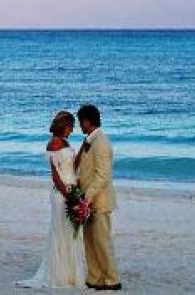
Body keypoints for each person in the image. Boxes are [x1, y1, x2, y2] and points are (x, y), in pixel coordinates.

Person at [16, 111, 85, 289]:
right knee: (61, 232)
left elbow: (72, 167)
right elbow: (55, 176)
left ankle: (69, 273)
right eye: (70, 126)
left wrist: (82, 151)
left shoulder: (65, 142)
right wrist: (69, 196)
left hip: (71, 189)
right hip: (61, 194)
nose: (72, 130)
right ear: (63, 126)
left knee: (70, 233)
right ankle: (59, 274)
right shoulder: (54, 144)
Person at [75, 104, 121, 291]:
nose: (79, 125)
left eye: (81, 121)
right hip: (87, 200)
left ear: (88, 121)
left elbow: (102, 176)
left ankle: (112, 279)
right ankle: (95, 278)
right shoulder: (89, 141)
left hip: (98, 201)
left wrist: (86, 198)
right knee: (89, 242)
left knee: (102, 242)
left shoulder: (101, 142)